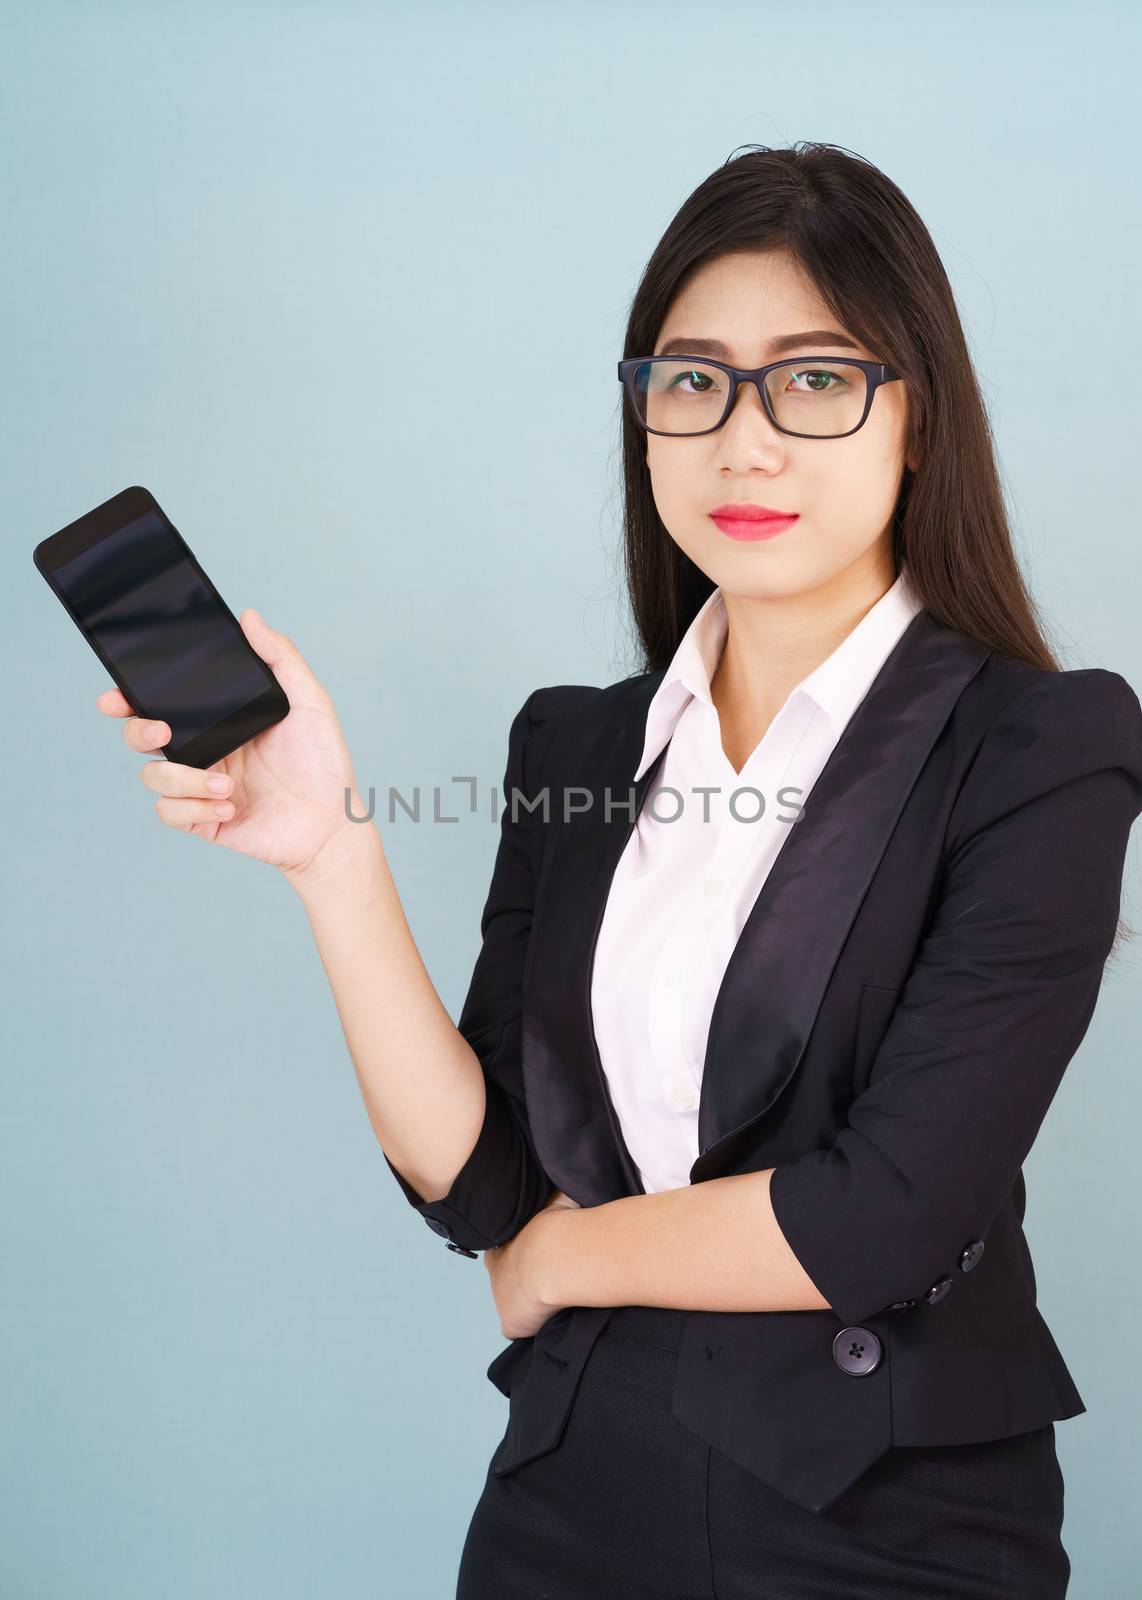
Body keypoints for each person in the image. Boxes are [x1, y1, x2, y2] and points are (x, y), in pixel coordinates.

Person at [99, 143, 1142, 1598]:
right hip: (570, 1502)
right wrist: (332, 856)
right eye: (691, 380)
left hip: (885, 1528)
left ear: (916, 420)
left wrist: (564, 1266)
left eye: (814, 378)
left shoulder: (1039, 745)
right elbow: (490, 1183)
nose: (745, 441)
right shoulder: (577, 746)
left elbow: (886, 1211)